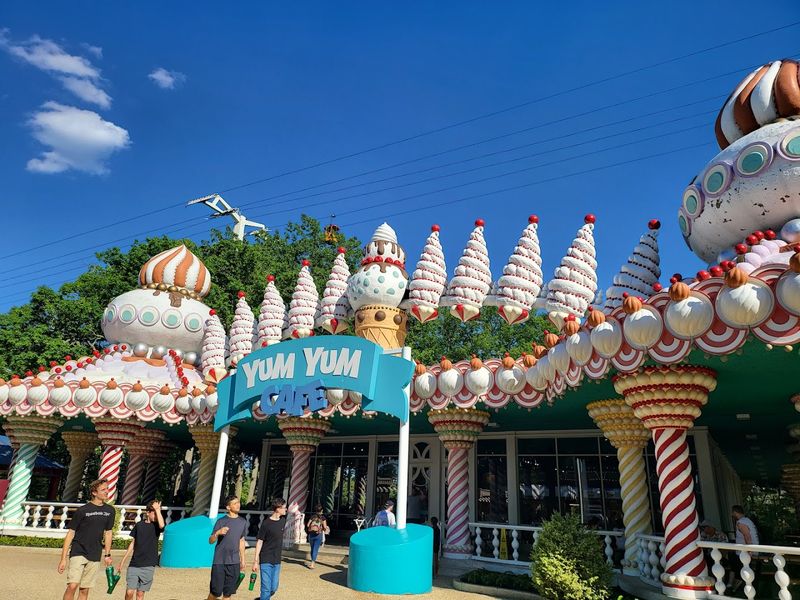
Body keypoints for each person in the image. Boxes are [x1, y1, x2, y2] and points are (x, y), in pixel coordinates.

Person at [58, 478, 115, 600]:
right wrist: (63, 559)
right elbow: (70, 533)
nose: (107, 492)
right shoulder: (83, 510)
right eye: (103, 489)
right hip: (78, 550)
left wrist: (107, 555)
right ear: (94, 492)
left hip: (95, 553)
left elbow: (108, 533)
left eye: (107, 489)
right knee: (72, 585)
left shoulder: (110, 510)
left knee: (84, 589)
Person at [118, 500, 165, 599]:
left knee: (140, 594)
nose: (156, 515)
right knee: (129, 592)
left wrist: (157, 510)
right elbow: (133, 543)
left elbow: (162, 525)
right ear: (147, 512)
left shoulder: (157, 526)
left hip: (149, 565)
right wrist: (123, 560)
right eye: (154, 512)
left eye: (158, 512)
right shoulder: (139, 525)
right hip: (135, 564)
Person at [208, 495, 248, 600]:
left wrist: (243, 559)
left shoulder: (243, 522)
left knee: (227, 594)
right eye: (235, 503)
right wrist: (217, 533)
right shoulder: (221, 521)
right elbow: (210, 541)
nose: (238, 505)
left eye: (238, 502)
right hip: (219, 561)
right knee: (215, 593)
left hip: (234, 562)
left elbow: (241, 540)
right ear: (228, 507)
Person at [252, 498, 288, 600]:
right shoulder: (266, 523)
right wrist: (255, 561)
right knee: (266, 588)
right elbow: (259, 541)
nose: (286, 509)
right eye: (284, 507)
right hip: (265, 558)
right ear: (277, 509)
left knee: (274, 587)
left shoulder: (283, 521)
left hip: (277, 559)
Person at [728, 505, 761, 592]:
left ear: (735, 512)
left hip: (745, 552)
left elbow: (747, 536)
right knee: (734, 564)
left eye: (732, 512)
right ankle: (731, 586)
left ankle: (734, 589)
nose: (732, 514)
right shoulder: (747, 521)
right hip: (745, 551)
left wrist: (749, 550)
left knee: (738, 568)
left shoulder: (741, 522)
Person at [305, 504, 329, 569]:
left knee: (312, 549)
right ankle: (312, 563)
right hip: (318, 535)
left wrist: (312, 527)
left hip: (311, 535)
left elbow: (307, 525)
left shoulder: (312, 517)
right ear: (322, 510)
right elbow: (324, 527)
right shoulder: (323, 518)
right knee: (315, 549)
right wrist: (323, 529)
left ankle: (312, 561)